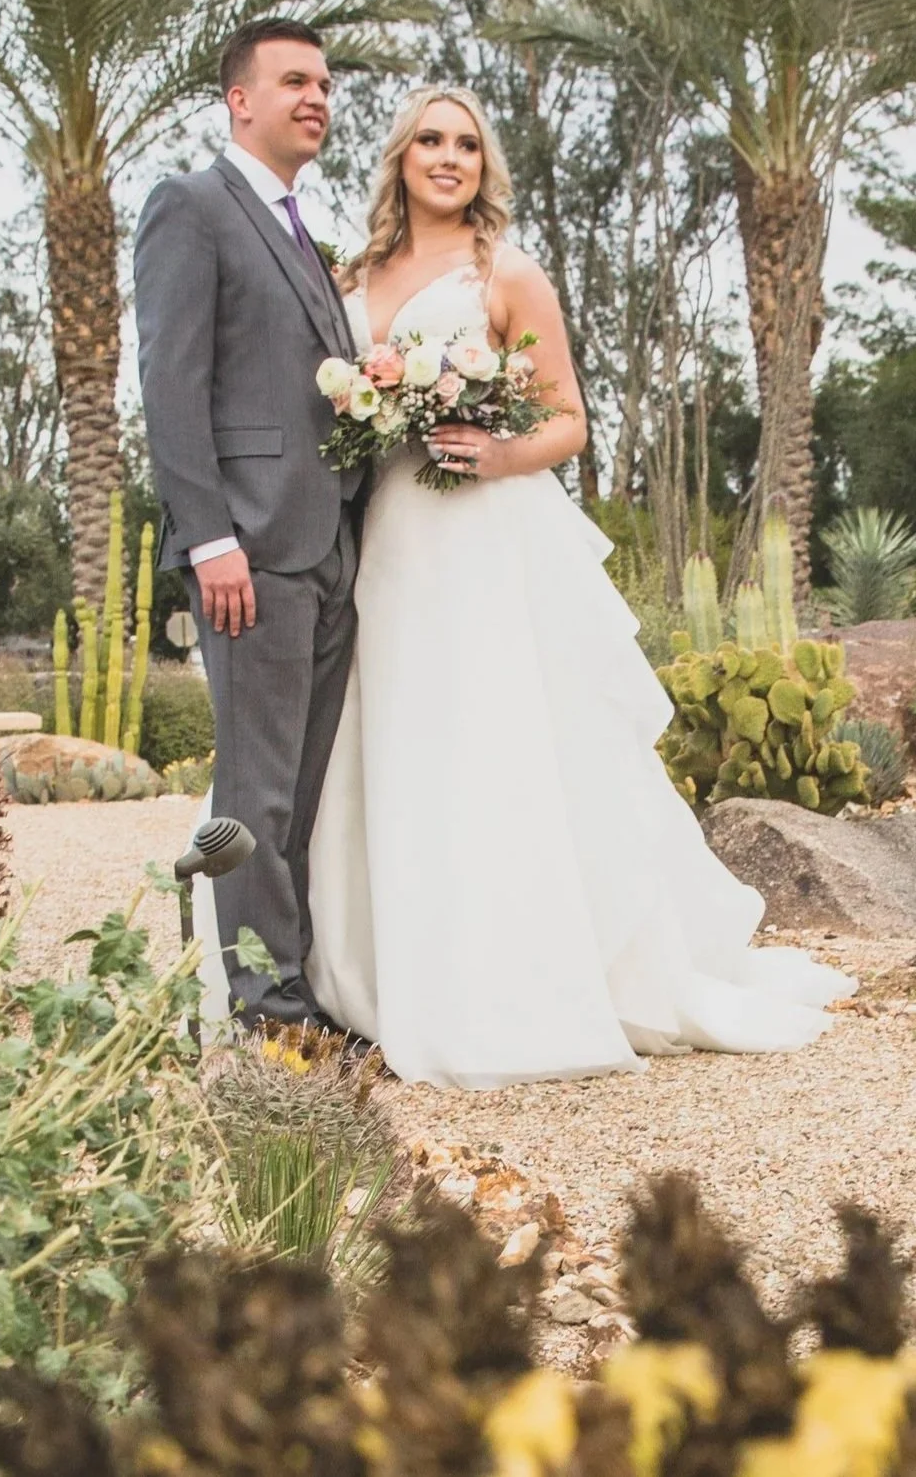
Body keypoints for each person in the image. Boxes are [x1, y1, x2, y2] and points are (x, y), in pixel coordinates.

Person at [305, 84, 855, 1089]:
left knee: (491, 741)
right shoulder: (352, 273)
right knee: (389, 734)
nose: (447, 156)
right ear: (397, 157)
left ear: (483, 165)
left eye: (466, 144)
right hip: (377, 532)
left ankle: (512, 974)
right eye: (428, 139)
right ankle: (380, 970)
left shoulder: (504, 273)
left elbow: (567, 421)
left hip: (471, 535)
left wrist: (495, 453)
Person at [136, 18, 361, 1028]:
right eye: (293, 81)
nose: (315, 97)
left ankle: (298, 983)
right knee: (251, 799)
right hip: (250, 554)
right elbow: (169, 382)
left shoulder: (302, 228)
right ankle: (266, 1006)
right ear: (239, 100)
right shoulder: (192, 207)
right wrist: (210, 536)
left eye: (322, 83)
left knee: (299, 803)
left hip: (325, 552)